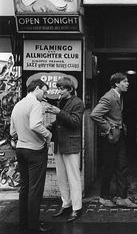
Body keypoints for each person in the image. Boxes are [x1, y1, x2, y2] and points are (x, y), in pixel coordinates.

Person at [10, 79, 52, 232]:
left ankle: (24, 223)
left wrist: (25, 134)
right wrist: (47, 134)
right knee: (35, 190)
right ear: (37, 88)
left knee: (24, 187)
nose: (44, 94)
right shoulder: (35, 104)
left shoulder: (18, 104)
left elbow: (12, 132)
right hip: (35, 151)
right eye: (44, 91)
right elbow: (35, 125)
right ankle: (33, 225)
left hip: (21, 149)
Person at [90, 72, 137, 208]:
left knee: (122, 166)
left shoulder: (119, 95)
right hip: (110, 137)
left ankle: (122, 197)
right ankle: (104, 197)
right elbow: (95, 114)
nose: (128, 84)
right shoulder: (109, 97)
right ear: (117, 84)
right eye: (125, 81)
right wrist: (108, 128)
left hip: (119, 136)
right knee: (108, 167)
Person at [47, 77, 84, 222]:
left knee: (73, 178)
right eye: (58, 88)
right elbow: (62, 120)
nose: (59, 91)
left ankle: (77, 208)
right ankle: (66, 203)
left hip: (70, 145)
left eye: (62, 88)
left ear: (70, 89)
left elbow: (75, 122)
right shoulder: (60, 101)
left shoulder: (78, 102)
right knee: (61, 177)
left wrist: (58, 112)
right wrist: (52, 125)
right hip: (60, 144)